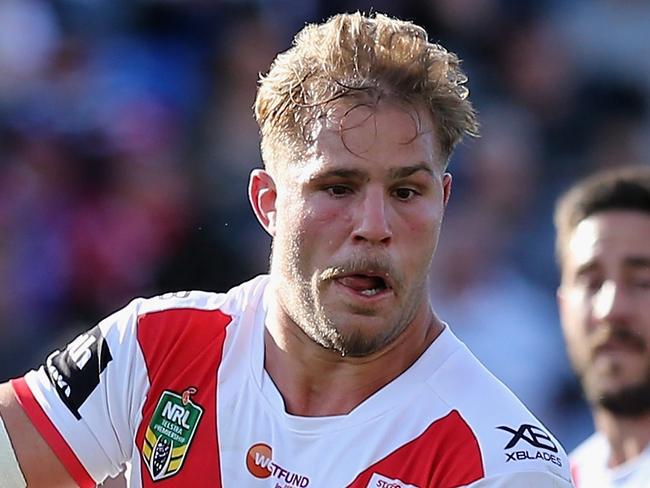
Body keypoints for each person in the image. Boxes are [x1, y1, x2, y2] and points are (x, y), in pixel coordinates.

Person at [0, 12, 571, 487]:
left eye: (405, 192)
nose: (374, 225)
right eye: (338, 188)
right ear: (268, 203)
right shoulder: (154, 347)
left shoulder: (496, 465)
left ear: (443, 202)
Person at [555, 166, 650, 487]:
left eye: (642, 282)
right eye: (591, 283)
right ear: (563, 307)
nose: (611, 309)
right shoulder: (552, 478)